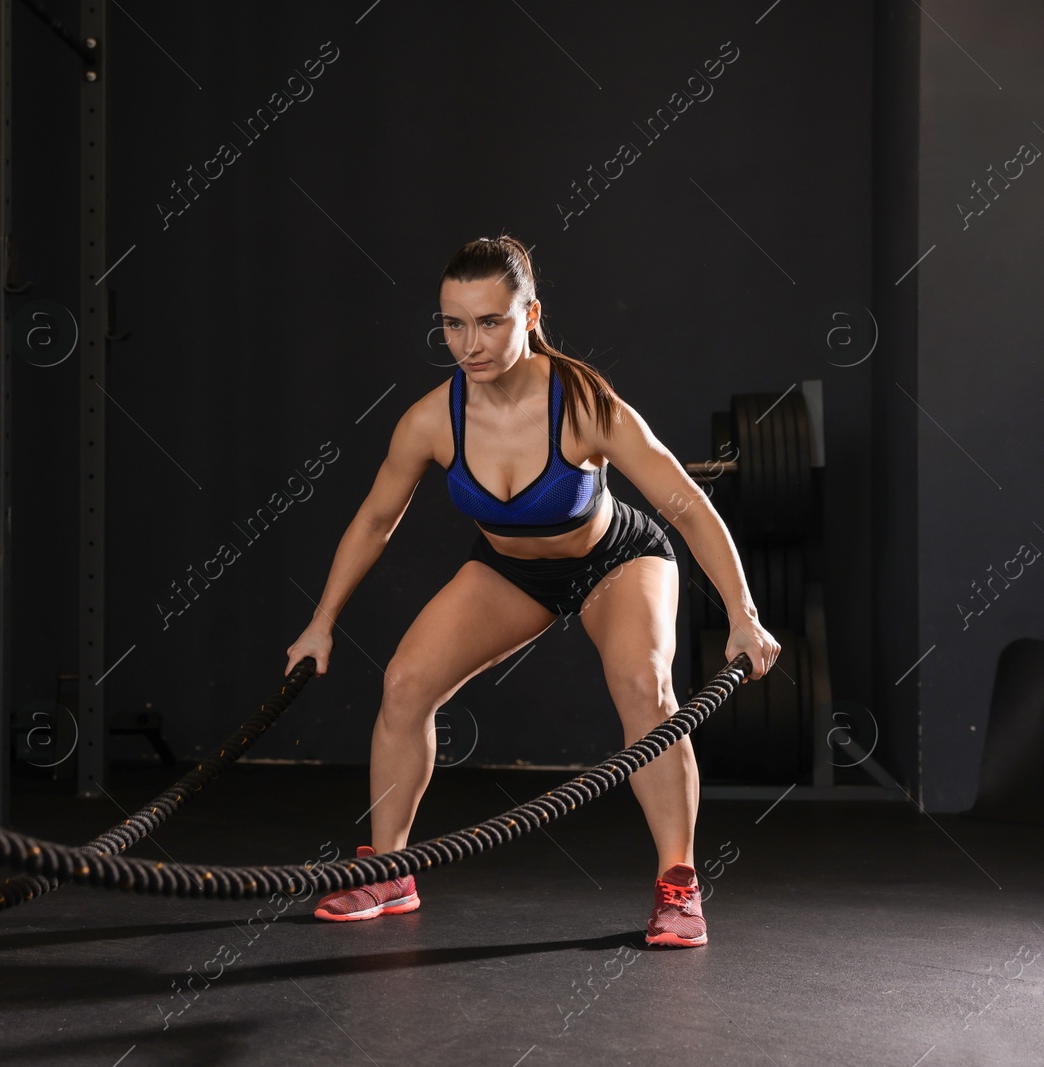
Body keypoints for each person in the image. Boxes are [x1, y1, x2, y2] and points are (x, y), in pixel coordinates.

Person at [284, 234, 780, 947]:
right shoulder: (433, 418)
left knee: (645, 686)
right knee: (405, 682)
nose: (469, 343)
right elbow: (374, 520)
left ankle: (679, 883)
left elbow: (688, 507)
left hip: (616, 559)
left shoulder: (585, 406)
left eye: (490, 322)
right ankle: (389, 866)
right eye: (453, 323)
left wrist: (744, 614)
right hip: (513, 570)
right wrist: (321, 621)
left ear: (531, 315)